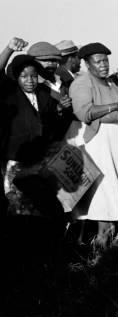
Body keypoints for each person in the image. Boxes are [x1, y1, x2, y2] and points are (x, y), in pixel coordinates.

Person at [0, 39, 67, 266]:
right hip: (16, 162)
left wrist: (61, 110)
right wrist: (9, 49)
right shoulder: (8, 93)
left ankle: (39, 259)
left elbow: (52, 128)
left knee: (39, 213)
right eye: (24, 76)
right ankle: (20, 261)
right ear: (16, 78)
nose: (29, 80)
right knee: (19, 213)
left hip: (39, 163)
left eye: (32, 75)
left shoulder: (44, 97)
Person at [66, 43, 118, 247]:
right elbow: (83, 112)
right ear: (87, 64)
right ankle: (98, 243)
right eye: (98, 62)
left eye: (105, 60)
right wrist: (116, 106)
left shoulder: (111, 84)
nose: (103, 65)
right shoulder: (82, 82)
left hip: (114, 145)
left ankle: (109, 242)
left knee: (113, 192)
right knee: (102, 193)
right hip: (97, 144)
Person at [27, 41, 72, 113]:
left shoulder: (62, 81)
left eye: (53, 60)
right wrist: (58, 107)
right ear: (34, 62)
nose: (50, 63)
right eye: (45, 60)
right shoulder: (31, 86)